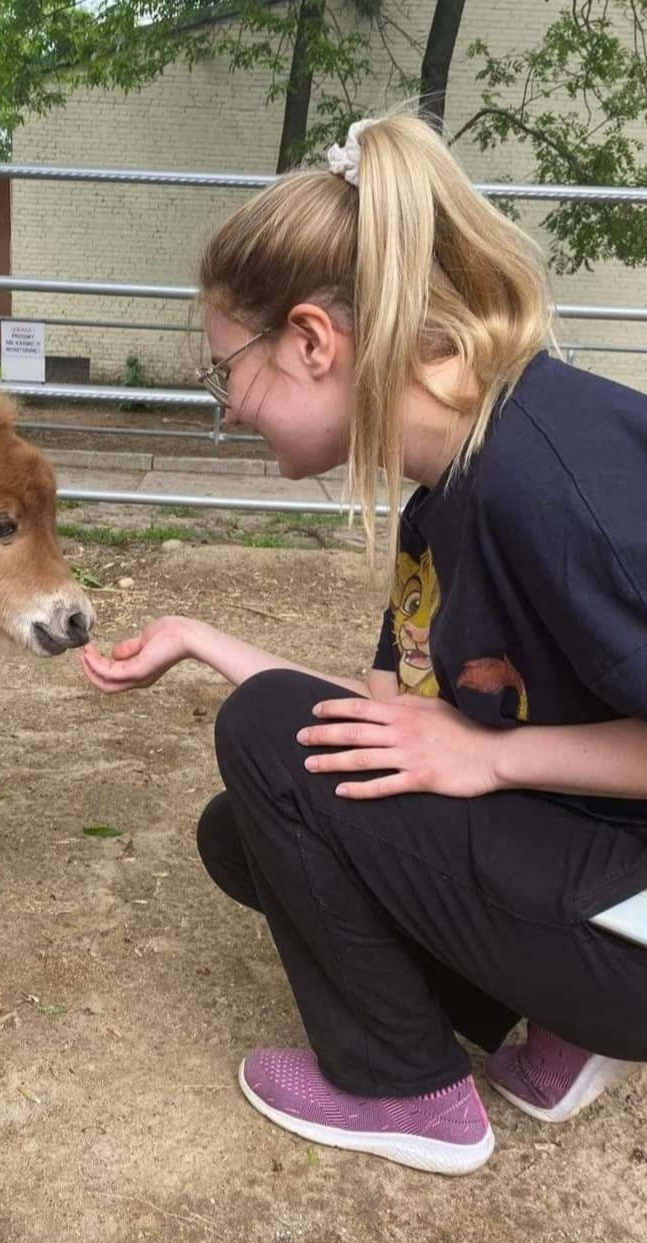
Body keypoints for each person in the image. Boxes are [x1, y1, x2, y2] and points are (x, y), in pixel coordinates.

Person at [78, 113, 647, 1175]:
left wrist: (492, 756)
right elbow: (368, 723)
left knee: (264, 745)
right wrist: (201, 639)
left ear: (309, 340)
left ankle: (410, 1090)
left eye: (224, 372)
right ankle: (563, 1021)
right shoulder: (448, 492)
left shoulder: (554, 479)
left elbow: (440, 748)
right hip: (604, 873)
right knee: (247, 830)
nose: (227, 409)